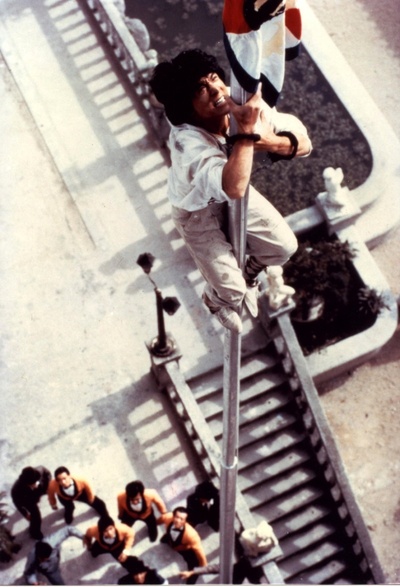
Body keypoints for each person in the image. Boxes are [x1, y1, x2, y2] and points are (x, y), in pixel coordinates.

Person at [149, 49, 312, 333]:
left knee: (284, 247)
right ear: (187, 106)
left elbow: (305, 144)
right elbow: (233, 187)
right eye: (200, 89)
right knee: (232, 292)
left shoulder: (239, 104)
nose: (216, 89)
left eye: (214, 78)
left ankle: (249, 274)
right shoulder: (188, 142)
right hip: (197, 211)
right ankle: (215, 299)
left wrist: (267, 141)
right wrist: (246, 134)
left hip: (231, 189)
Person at [158, 507, 207, 584]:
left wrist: (199, 570)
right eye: (177, 517)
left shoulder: (192, 536)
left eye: (181, 519)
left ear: (185, 521)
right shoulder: (167, 517)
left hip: (184, 548)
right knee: (166, 537)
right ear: (173, 516)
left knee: (194, 563)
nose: (178, 521)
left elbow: (202, 559)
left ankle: (192, 579)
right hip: (171, 539)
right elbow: (160, 520)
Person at [11, 466, 51, 539]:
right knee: (36, 516)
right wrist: (25, 513)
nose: (34, 484)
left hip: (39, 491)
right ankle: (35, 532)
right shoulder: (16, 490)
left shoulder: (40, 470)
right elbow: (17, 503)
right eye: (32, 484)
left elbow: (47, 474)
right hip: (28, 500)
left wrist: (48, 485)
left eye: (35, 482)